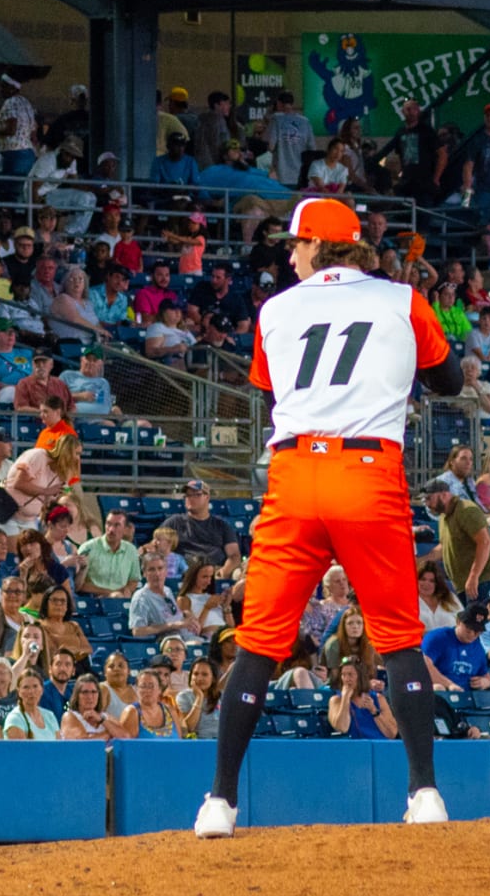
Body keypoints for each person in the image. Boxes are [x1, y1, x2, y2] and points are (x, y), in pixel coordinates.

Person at [194, 199, 463, 839]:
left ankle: (220, 803)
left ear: (319, 245)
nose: (290, 256)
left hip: (294, 473)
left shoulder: (276, 309)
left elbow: (272, 398)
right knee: (397, 638)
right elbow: (449, 381)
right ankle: (424, 793)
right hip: (368, 472)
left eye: (296, 245)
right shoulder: (402, 298)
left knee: (259, 642)